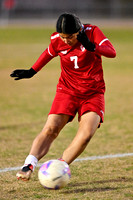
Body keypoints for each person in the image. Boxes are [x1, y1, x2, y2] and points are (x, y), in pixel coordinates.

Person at [10, 13, 116, 181]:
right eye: (63, 37)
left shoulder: (92, 32)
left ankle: (58, 169)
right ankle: (28, 164)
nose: (66, 40)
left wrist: (92, 46)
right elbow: (48, 53)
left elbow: (112, 52)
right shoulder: (57, 40)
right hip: (67, 90)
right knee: (51, 128)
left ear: (79, 31)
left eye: (71, 37)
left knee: (87, 133)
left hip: (93, 92)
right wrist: (32, 71)